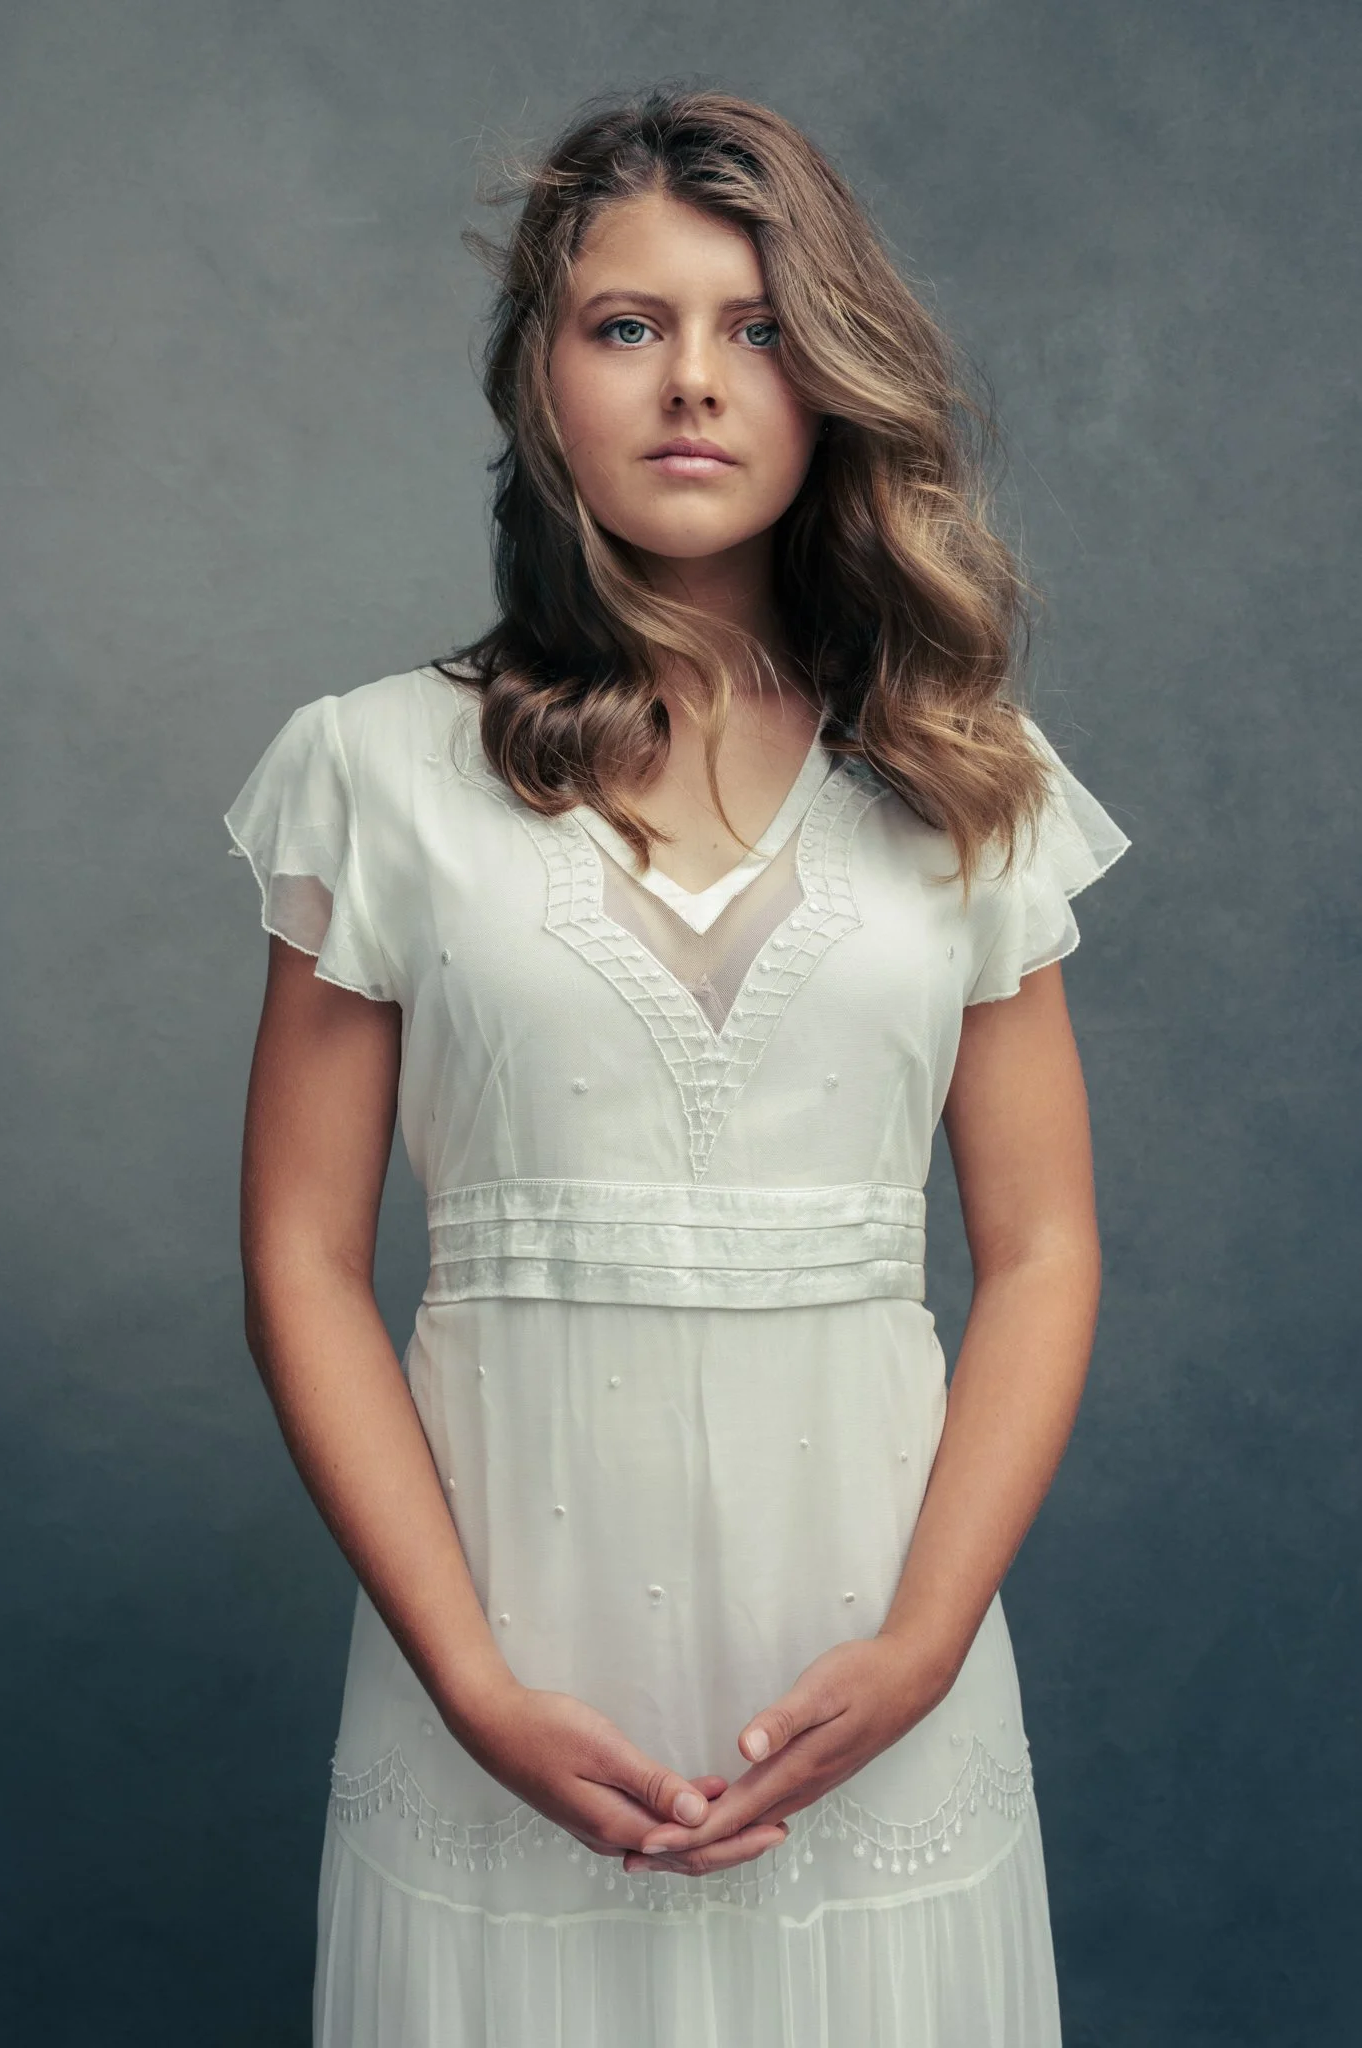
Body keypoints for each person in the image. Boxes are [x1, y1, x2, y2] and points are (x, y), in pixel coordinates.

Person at [223, 87, 1130, 2048]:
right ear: (538, 378)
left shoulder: (968, 780)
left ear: (831, 381)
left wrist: (918, 1644)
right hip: (505, 1700)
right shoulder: (371, 769)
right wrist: (467, 1680)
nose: (691, 383)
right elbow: (301, 1255)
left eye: (757, 327)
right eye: (625, 324)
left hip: (884, 1692)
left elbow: (1041, 1247)